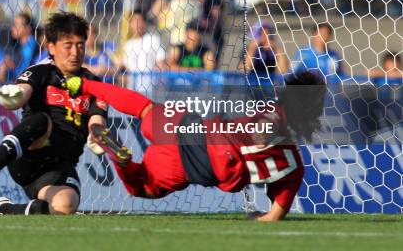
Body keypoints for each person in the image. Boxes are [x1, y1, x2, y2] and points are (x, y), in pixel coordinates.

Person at [63, 70, 326, 221]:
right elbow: (273, 218)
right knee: (141, 186)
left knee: (143, 108)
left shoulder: (271, 110)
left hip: (189, 127)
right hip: (203, 164)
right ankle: (121, 160)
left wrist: (85, 84)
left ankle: (89, 87)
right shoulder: (295, 167)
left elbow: (262, 127)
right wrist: (257, 216)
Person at [0, 12, 110, 215]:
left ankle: (1, 208)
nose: (75, 52)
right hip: (29, 155)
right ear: (51, 47)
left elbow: (97, 119)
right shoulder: (41, 72)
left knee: (65, 206)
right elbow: (22, 93)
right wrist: (14, 97)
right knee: (43, 120)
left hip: (61, 165)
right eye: (68, 45)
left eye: (80, 45)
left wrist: (98, 134)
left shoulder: (94, 83)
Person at [122, 11, 166, 94]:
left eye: (140, 21)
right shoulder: (128, 45)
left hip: (150, 89)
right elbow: (126, 69)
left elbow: (161, 64)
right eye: (134, 21)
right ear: (130, 24)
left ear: (144, 23)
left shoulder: (153, 39)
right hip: (132, 90)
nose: (137, 24)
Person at [9, 13, 38, 78]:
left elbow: (23, 72)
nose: (13, 28)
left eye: (17, 24)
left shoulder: (30, 47)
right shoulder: (21, 45)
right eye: (13, 24)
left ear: (28, 28)